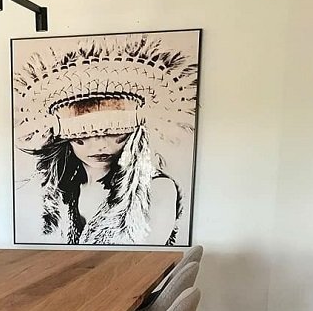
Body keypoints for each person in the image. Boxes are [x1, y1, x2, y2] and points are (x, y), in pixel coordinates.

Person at [13, 35, 198, 245]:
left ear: (133, 133)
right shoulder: (55, 192)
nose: (101, 144)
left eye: (114, 132)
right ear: (65, 137)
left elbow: (145, 257)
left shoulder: (155, 189)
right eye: (84, 134)